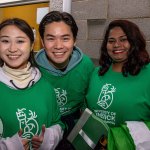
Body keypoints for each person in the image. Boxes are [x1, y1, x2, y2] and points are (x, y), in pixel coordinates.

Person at [0, 18, 64, 150]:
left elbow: (58, 123)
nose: (12, 48)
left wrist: (49, 139)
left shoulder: (45, 85)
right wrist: (7, 146)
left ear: (31, 45)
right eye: (5, 41)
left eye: (20, 41)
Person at [85, 20, 150, 149]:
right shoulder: (97, 73)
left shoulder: (147, 74)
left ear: (134, 42)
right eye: (111, 41)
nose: (116, 45)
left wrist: (116, 138)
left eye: (123, 39)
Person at [35, 11, 94, 138]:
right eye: (51, 38)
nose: (58, 46)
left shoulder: (86, 65)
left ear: (74, 41)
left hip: (75, 121)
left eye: (65, 38)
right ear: (42, 42)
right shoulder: (33, 69)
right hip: (45, 124)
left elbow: (88, 101)